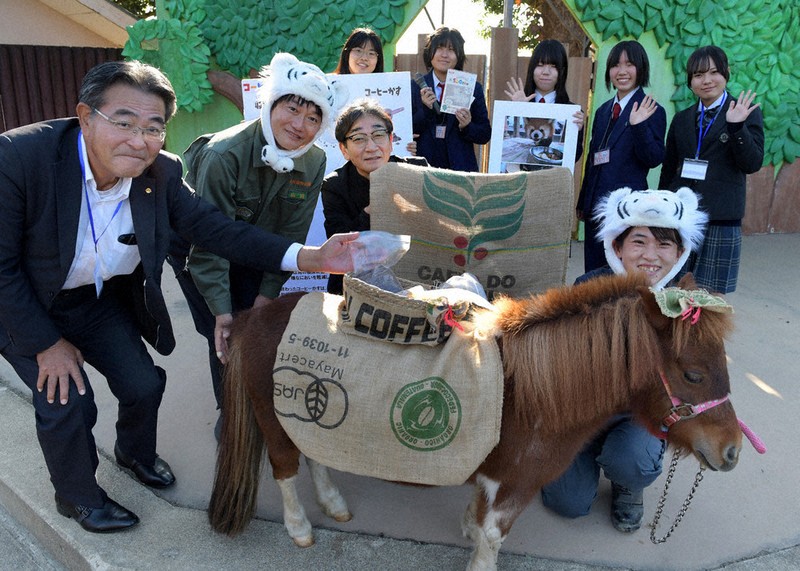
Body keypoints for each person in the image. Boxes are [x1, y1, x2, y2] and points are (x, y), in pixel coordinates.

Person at [0, 60, 360, 533]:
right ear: (86, 116)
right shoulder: (18, 157)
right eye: (124, 122)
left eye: (153, 128)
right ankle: (79, 498)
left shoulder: (162, 171)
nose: (139, 140)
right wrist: (48, 345)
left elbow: (216, 230)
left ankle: (134, 453)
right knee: (68, 402)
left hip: (96, 298)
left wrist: (311, 257)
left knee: (144, 383)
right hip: (24, 302)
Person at [167, 53, 347, 421]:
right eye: (292, 109)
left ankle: (250, 400)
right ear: (271, 103)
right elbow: (208, 244)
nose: (299, 125)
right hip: (197, 251)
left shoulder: (313, 161)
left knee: (252, 322)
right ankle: (231, 415)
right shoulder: (223, 154)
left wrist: (268, 294)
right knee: (223, 329)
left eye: (313, 118)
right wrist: (220, 310)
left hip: (256, 248)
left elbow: (291, 235)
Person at [541, 185, 709, 532]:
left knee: (631, 460)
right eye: (639, 241)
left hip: (639, 416)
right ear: (617, 246)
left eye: (664, 244)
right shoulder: (587, 289)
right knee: (566, 503)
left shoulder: (687, 304)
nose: (651, 255)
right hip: (582, 412)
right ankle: (583, 458)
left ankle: (629, 483)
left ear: (680, 251)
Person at [658, 45, 764, 294]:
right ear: (690, 81)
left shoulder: (745, 111)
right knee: (674, 290)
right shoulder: (682, 119)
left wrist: (737, 127)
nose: (706, 80)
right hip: (683, 218)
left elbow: (752, 163)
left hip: (721, 218)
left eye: (714, 72)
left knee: (712, 297)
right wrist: (664, 207)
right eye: (698, 75)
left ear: (726, 73)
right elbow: (669, 168)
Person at [577, 40, 666, 273]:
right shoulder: (603, 110)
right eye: (615, 65)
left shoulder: (652, 109)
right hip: (597, 208)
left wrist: (639, 126)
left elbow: (653, 158)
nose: (622, 71)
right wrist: (584, 202)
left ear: (641, 68)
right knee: (593, 275)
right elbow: (593, 158)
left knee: (621, 275)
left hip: (627, 210)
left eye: (629, 64)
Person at [322, 99, 428, 294]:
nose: (371, 147)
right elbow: (341, 246)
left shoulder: (416, 170)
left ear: (391, 140)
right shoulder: (334, 185)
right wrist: (375, 206)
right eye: (359, 139)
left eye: (378, 135)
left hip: (414, 279)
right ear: (344, 149)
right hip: (355, 287)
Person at [410, 27, 491, 172]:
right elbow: (406, 129)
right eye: (439, 48)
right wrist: (425, 110)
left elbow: (484, 134)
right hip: (423, 168)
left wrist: (467, 126)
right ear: (430, 52)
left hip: (461, 169)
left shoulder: (472, 88)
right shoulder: (415, 86)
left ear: (459, 55)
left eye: (451, 49)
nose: (444, 55)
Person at [504, 39, 585, 158]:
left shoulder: (572, 113)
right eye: (540, 65)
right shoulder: (517, 105)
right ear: (532, 69)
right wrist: (515, 109)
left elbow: (575, 156)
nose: (546, 72)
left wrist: (576, 132)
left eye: (553, 66)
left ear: (562, 71)